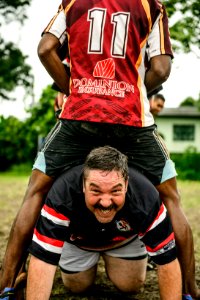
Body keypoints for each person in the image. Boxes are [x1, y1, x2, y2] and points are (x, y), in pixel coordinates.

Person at [0, 1, 199, 298]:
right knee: (171, 198)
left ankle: (5, 285)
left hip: (80, 113)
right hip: (130, 115)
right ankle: (191, 291)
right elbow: (161, 67)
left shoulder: (74, 2)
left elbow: (44, 50)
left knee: (35, 191)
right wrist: (133, 89)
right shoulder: (149, 5)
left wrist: (74, 90)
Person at [26, 146, 182, 300]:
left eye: (115, 191)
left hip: (124, 239)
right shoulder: (62, 194)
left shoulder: (145, 197)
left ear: (126, 185)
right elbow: (42, 259)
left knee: (131, 286)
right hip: (78, 241)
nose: (106, 203)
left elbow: (167, 259)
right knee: (77, 286)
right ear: (83, 185)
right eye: (96, 191)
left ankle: (138, 255)